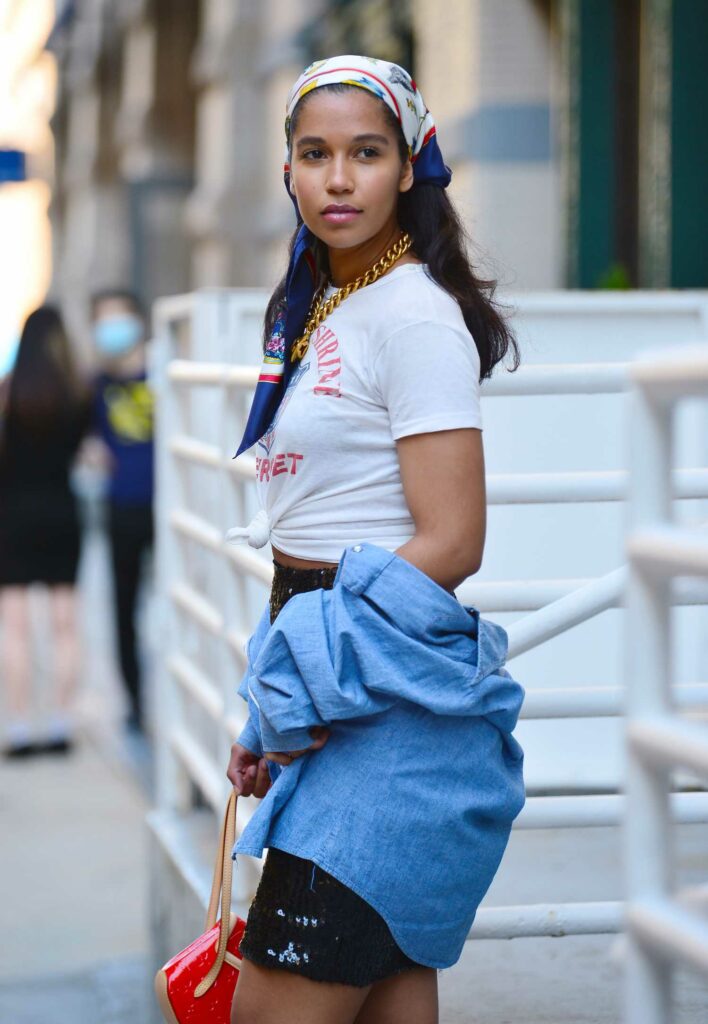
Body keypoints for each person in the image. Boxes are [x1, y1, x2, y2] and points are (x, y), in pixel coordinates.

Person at [224, 56, 525, 1024]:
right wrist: (276, 698)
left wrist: (296, 675)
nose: (338, 178)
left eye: (366, 152)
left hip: (384, 696)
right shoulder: (322, 305)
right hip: (337, 672)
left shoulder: (415, 315)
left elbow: (452, 539)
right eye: (315, 154)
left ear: (408, 166)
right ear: (288, 171)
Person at [0, 305, 92, 757]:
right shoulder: (77, 394)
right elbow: (91, 452)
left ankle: (18, 726)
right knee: (65, 624)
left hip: (12, 516)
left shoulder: (6, 394)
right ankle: (60, 723)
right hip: (61, 511)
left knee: (14, 628)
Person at [88, 288, 155, 733]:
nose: (112, 330)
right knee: (124, 611)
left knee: (173, 605)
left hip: (166, 510)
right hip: (121, 509)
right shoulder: (94, 387)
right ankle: (136, 704)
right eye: (103, 321)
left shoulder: (165, 375)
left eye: (119, 319)